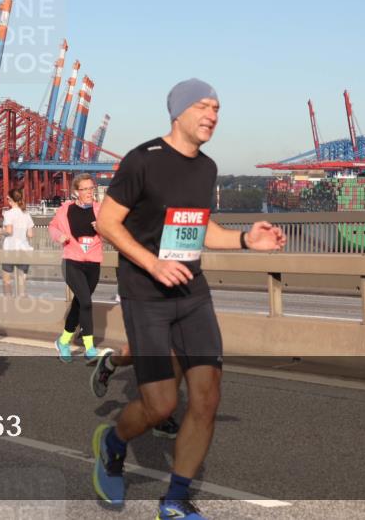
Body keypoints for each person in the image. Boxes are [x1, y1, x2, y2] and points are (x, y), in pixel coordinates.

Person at [91, 79, 286, 517]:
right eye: (203, 106)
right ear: (177, 111)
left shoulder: (207, 168)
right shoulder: (142, 161)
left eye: (217, 108)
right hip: (146, 294)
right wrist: (153, 263)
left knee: (206, 397)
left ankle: (175, 500)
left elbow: (201, 230)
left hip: (192, 293)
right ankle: (114, 442)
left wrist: (244, 240)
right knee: (160, 407)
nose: (212, 115)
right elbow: (107, 223)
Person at [50, 173, 103, 362]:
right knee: (86, 302)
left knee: (80, 302)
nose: (89, 192)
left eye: (91, 188)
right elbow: (52, 227)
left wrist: (102, 228)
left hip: (93, 263)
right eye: (85, 189)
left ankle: (63, 341)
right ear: (76, 192)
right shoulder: (66, 209)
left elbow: (113, 231)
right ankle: (90, 348)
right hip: (72, 261)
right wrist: (59, 236)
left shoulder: (100, 209)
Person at [0, 188, 34, 297]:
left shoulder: (8, 213)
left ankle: (9, 305)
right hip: (24, 249)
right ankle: (22, 305)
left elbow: (9, 231)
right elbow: (30, 234)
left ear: (10, 199)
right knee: (21, 282)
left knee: (6, 281)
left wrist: (0, 231)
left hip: (10, 249)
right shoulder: (26, 214)